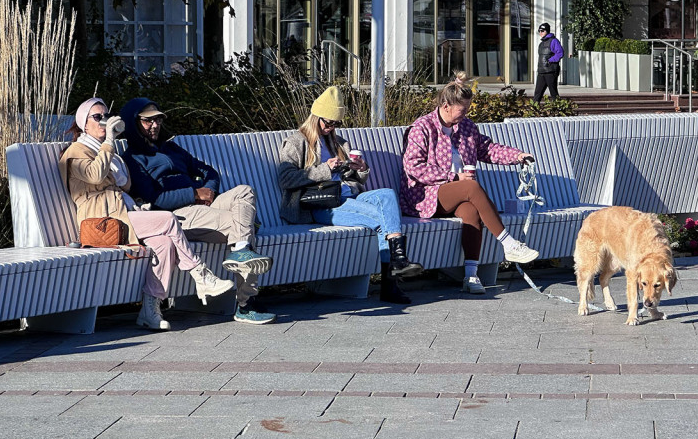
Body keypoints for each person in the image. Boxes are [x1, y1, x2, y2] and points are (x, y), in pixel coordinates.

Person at [60, 98, 235, 331]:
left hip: (123, 215)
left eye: (106, 115)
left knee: (164, 244)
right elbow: (94, 175)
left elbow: (126, 184)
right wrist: (110, 142)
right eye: (97, 117)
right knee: (168, 220)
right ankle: (200, 274)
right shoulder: (76, 151)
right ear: (84, 124)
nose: (103, 121)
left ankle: (149, 310)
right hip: (103, 222)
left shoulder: (109, 154)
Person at [120, 97, 276, 325]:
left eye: (158, 120)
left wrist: (208, 193)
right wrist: (194, 194)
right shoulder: (132, 160)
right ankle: (246, 303)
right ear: (133, 123)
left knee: (244, 192)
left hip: (203, 206)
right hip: (179, 214)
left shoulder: (171, 148)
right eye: (147, 121)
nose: (155, 125)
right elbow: (155, 200)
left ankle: (241, 249)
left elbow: (209, 171)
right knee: (243, 225)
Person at [277, 86, 424, 305]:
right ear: (315, 117)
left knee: (386, 195)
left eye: (336, 124)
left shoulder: (339, 143)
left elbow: (354, 180)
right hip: (321, 206)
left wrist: (360, 168)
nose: (331, 127)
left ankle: (397, 261)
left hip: (348, 196)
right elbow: (286, 179)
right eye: (328, 122)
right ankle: (392, 277)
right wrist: (325, 169)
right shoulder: (297, 142)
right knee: (383, 219)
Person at [402, 71, 540, 295]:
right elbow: (413, 167)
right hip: (425, 196)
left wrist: (517, 156)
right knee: (471, 186)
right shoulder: (422, 128)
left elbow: (487, 149)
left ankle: (471, 275)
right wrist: (453, 177)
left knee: (471, 211)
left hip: (456, 196)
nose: (466, 113)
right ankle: (508, 244)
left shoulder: (466, 127)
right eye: (462, 109)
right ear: (446, 106)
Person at [533, 22, 563, 103]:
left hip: (551, 71)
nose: (540, 32)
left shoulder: (554, 41)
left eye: (542, 30)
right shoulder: (541, 44)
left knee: (553, 92)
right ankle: (534, 109)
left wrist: (550, 60)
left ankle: (559, 108)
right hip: (541, 71)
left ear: (547, 31)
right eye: (539, 31)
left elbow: (560, 53)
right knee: (537, 93)